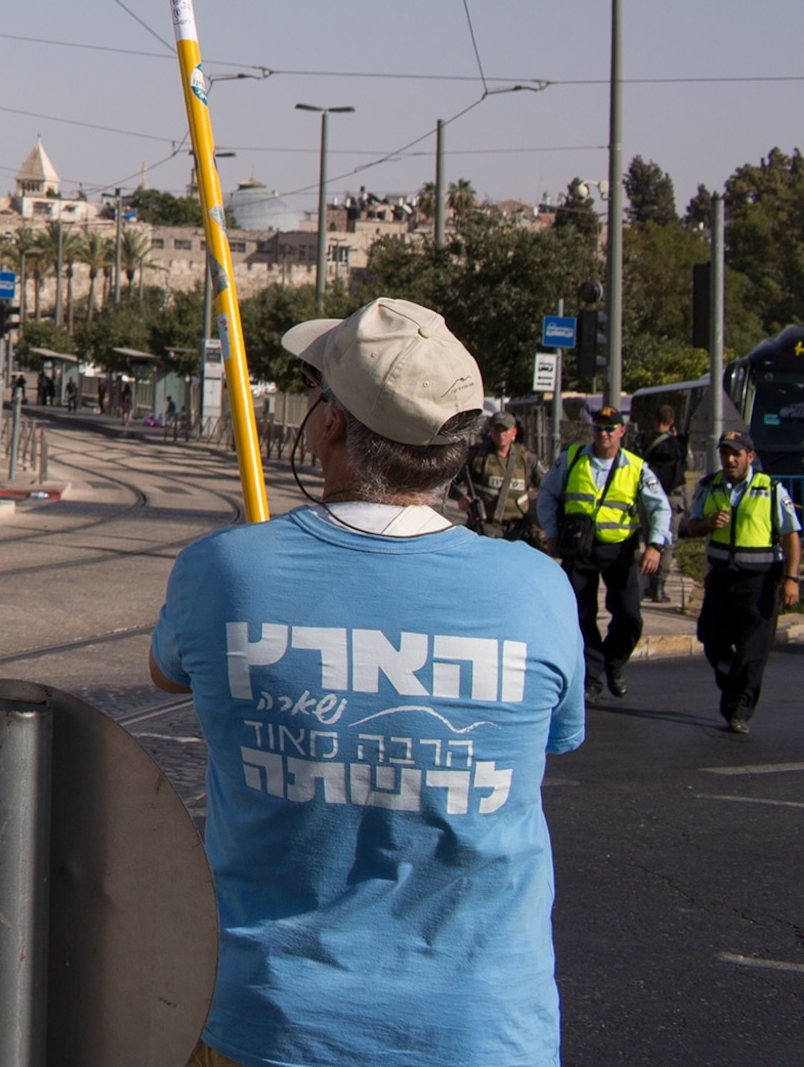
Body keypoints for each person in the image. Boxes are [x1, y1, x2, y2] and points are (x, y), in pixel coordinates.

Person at [152, 297, 581, 1067]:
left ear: (332, 424)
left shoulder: (223, 571)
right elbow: (556, 734)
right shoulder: (537, 589)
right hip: (479, 1030)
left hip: (266, 1022)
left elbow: (165, 671)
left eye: (318, 390)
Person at [679, 431, 800, 733]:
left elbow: (791, 536)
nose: (730, 459)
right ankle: (733, 686)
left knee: (752, 651)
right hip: (721, 578)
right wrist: (708, 524)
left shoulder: (770, 489)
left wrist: (791, 579)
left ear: (750, 456)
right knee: (711, 639)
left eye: (736, 454)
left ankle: (739, 710)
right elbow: (690, 526)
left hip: (760, 581)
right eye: (725, 453)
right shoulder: (710, 487)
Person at [552, 405, 670, 697]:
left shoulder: (636, 466)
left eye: (610, 427)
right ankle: (591, 679)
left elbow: (660, 508)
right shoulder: (571, 458)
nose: (603, 433)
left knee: (630, 615)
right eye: (598, 427)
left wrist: (655, 546)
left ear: (622, 431)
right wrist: (551, 534)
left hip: (619, 550)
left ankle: (613, 662)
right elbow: (547, 495)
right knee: (581, 614)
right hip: (579, 547)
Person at [639, 403, 691, 600]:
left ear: (654, 419)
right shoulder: (678, 444)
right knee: (667, 542)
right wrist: (676, 438)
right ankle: (659, 587)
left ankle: (651, 584)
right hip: (672, 497)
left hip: (649, 496)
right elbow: (690, 464)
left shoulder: (643, 441)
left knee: (650, 539)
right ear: (671, 423)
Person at [464, 412, 541, 544]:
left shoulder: (526, 458)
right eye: (496, 429)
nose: (501, 434)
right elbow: (451, 481)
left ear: (514, 432)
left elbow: (546, 486)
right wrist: (461, 497)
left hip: (517, 529)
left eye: (505, 430)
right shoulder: (478, 456)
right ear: (490, 430)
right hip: (484, 527)